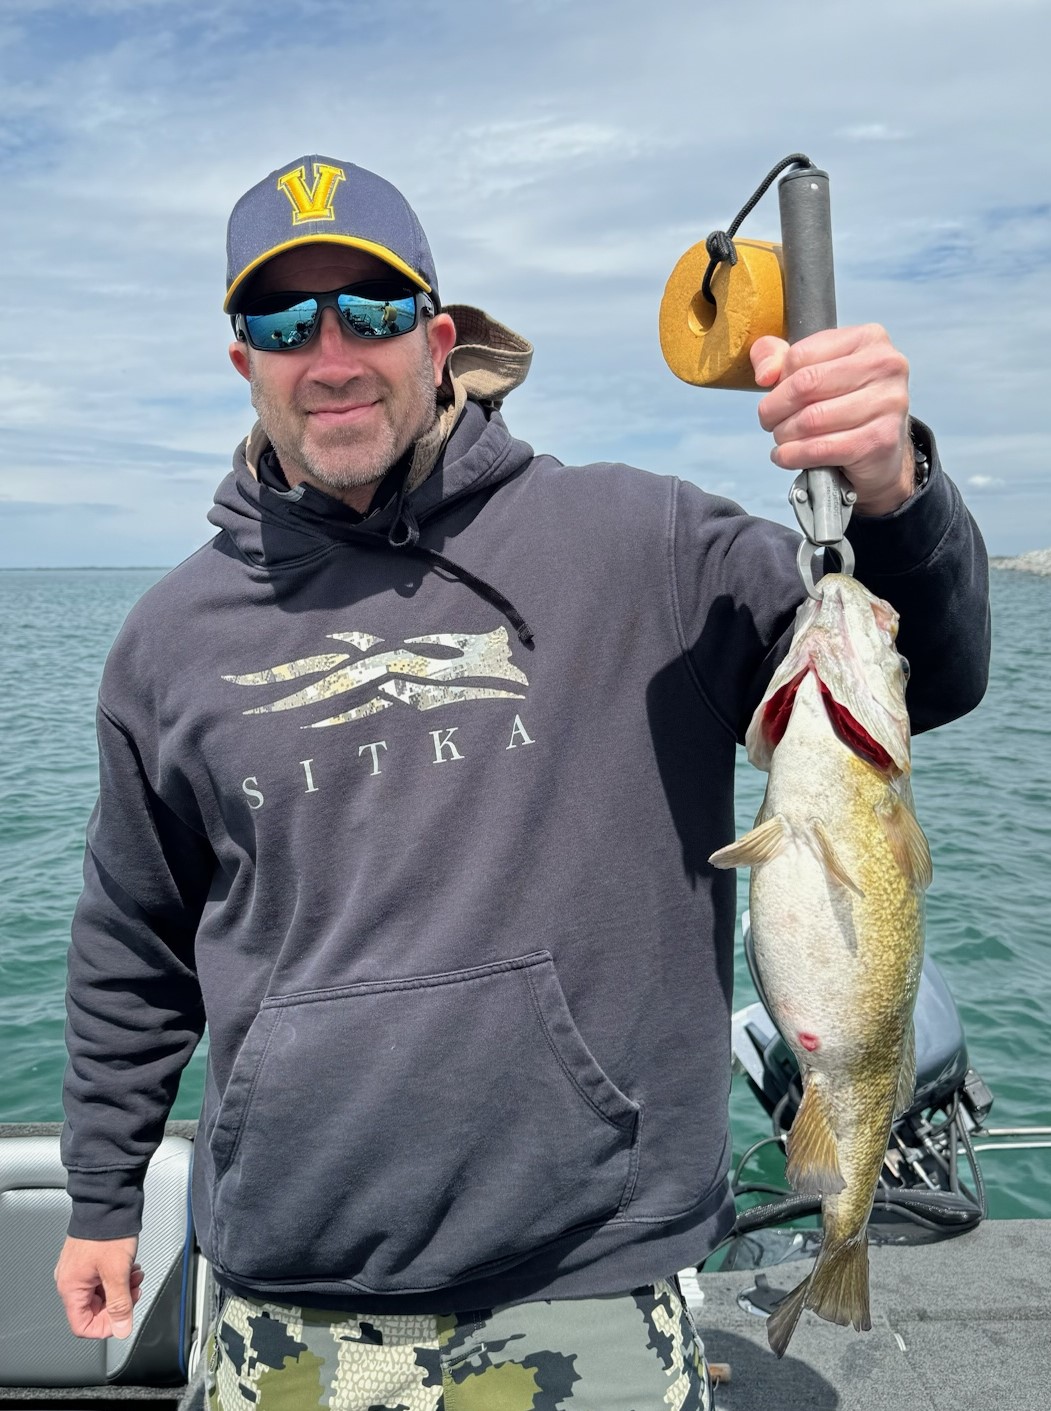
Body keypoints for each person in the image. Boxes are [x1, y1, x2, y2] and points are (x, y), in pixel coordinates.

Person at [54, 154, 990, 1411]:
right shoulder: (170, 639)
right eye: (283, 323)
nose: (331, 354)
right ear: (244, 363)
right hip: (284, 1284)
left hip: (592, 1277)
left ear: (437, 340)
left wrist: (890, 488)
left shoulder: (640, 544)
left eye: (373, 314)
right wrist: (104, 1199)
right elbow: (132, 942)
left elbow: (920, 670)